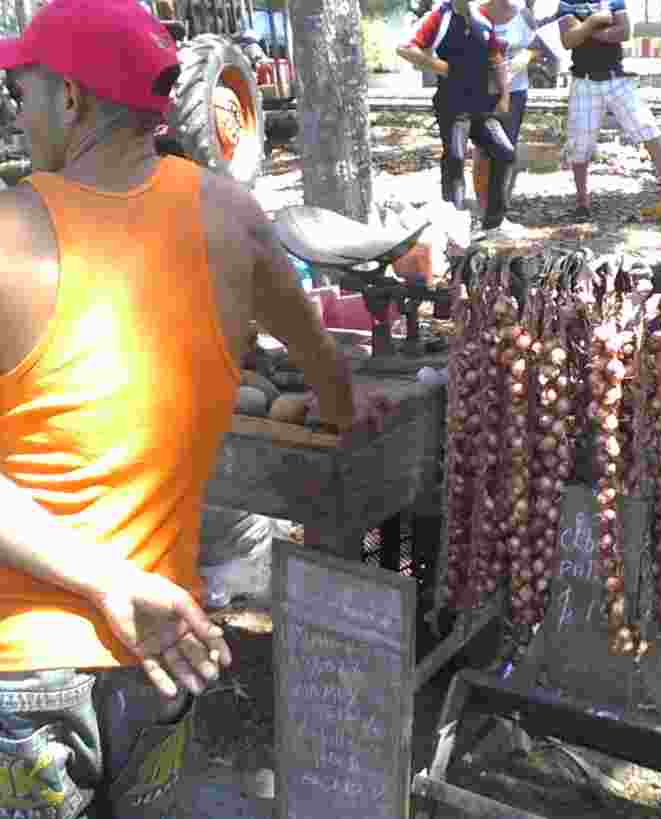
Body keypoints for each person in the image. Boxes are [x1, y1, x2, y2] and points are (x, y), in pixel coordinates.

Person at [0, 1, 391, 816]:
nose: (18, 111)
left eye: (21, 92)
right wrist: (348, 404)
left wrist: (106, 583)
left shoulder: (10, 234)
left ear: (69, 99)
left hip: (21, 661)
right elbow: (328, 374)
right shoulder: (234, 217)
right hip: (161, 650)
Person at [398, 0, 519, 233]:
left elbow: (496, 59)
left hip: (482, 106)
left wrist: (505, 95)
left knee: (505, 153)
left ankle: (493, 223)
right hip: (453, 105)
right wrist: (443, 68)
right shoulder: (439, 16)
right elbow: (404, 48)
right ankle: (454, 226)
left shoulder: (483, 19)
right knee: (455, 158)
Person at [559, 1, 661, 219]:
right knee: (580, 144)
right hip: (584, 82)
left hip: (617, 79)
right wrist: (596, 21)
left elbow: (624, 32)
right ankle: (582, 203)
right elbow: (568, 41)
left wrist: (584, 29)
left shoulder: (613, 1)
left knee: (648, 128)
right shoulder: (567, 2)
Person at [471, 0, 546, 216]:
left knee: (508, 148)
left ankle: (501, 206)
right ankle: (483, 206)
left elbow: (537, 48)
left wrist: (525, 57)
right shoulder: (473, 13)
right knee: (483, 149)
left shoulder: (523, 15)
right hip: (482, 91)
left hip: (516, 92)